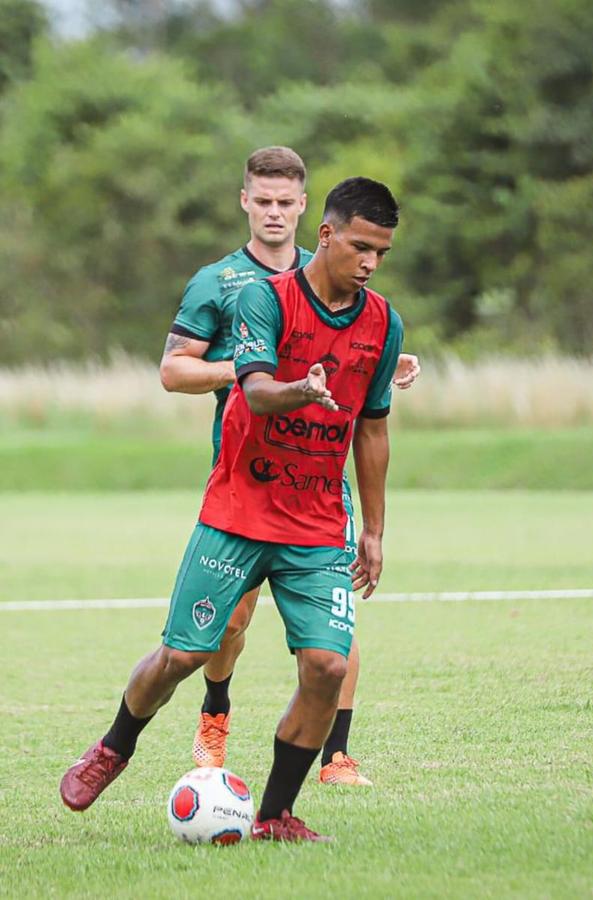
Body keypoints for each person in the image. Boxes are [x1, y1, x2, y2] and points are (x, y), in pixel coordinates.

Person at [61, 177, 406, 841]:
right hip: (239, 512)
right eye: (361, 247)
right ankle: (113, 747)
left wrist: (376, 530)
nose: (369, 263)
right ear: (327, 234)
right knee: (183, 656)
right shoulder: (261, 298)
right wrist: (300, 389)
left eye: (382, 253)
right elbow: (254, 390)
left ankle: (275, 815)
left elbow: (374, 426)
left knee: (329, 666)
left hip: (318, 522)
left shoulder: (383, 323)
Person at [161, 147, 418, 786]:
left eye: (286, 202)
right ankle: (215, 711)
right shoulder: (218, 282)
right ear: (245, 202)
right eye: (263, 201)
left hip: (321, 475)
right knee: (233, 619)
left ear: (307, 208)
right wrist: (252, 371)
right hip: (248, 471)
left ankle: (336, 753)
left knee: (335, 617)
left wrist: (394, 367)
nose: (275, 213)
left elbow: (358, 365)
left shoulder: (335, 267)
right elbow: (172, 370)